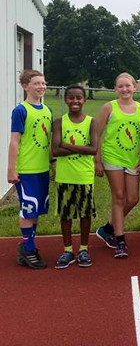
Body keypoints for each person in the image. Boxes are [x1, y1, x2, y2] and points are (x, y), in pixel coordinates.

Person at [95, 73, 140, 258]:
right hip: (113, 157)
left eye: (128, 85)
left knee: (133, 198)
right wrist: (98, 160)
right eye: (120, 86)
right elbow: (97, 134)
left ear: (135, 87)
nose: (125, 89)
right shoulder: (108, 107)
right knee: (118, 197)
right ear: (115, 89)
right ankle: (120, 241)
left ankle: (108, 228)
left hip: (132, 159)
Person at [8, 70, 52, 269]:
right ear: (25, 86)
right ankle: (29, 248)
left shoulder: (47, 110)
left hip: (42, 169)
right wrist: (11, 169)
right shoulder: (21, 110)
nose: (41, 86)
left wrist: (52, 164)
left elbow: (47, 140)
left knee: (36, 210)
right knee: (27, 209)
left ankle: (28, 246)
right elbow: (15, 142)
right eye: (37, 83)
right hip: (26, 170)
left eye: (43, 83)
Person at [52, 85, 98, 269]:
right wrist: (82, 148)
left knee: (85, 214)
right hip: (65, 176)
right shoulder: (59, 122)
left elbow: (93, 149)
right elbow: (55, 150)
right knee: (66, 215)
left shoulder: (91, 122)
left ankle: (84, 249)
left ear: (84, 100)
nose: (75, 101)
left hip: (84, 176)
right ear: (66, 100)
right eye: (71, 98)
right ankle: (68, 250)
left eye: (79, 98)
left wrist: (66, 145)